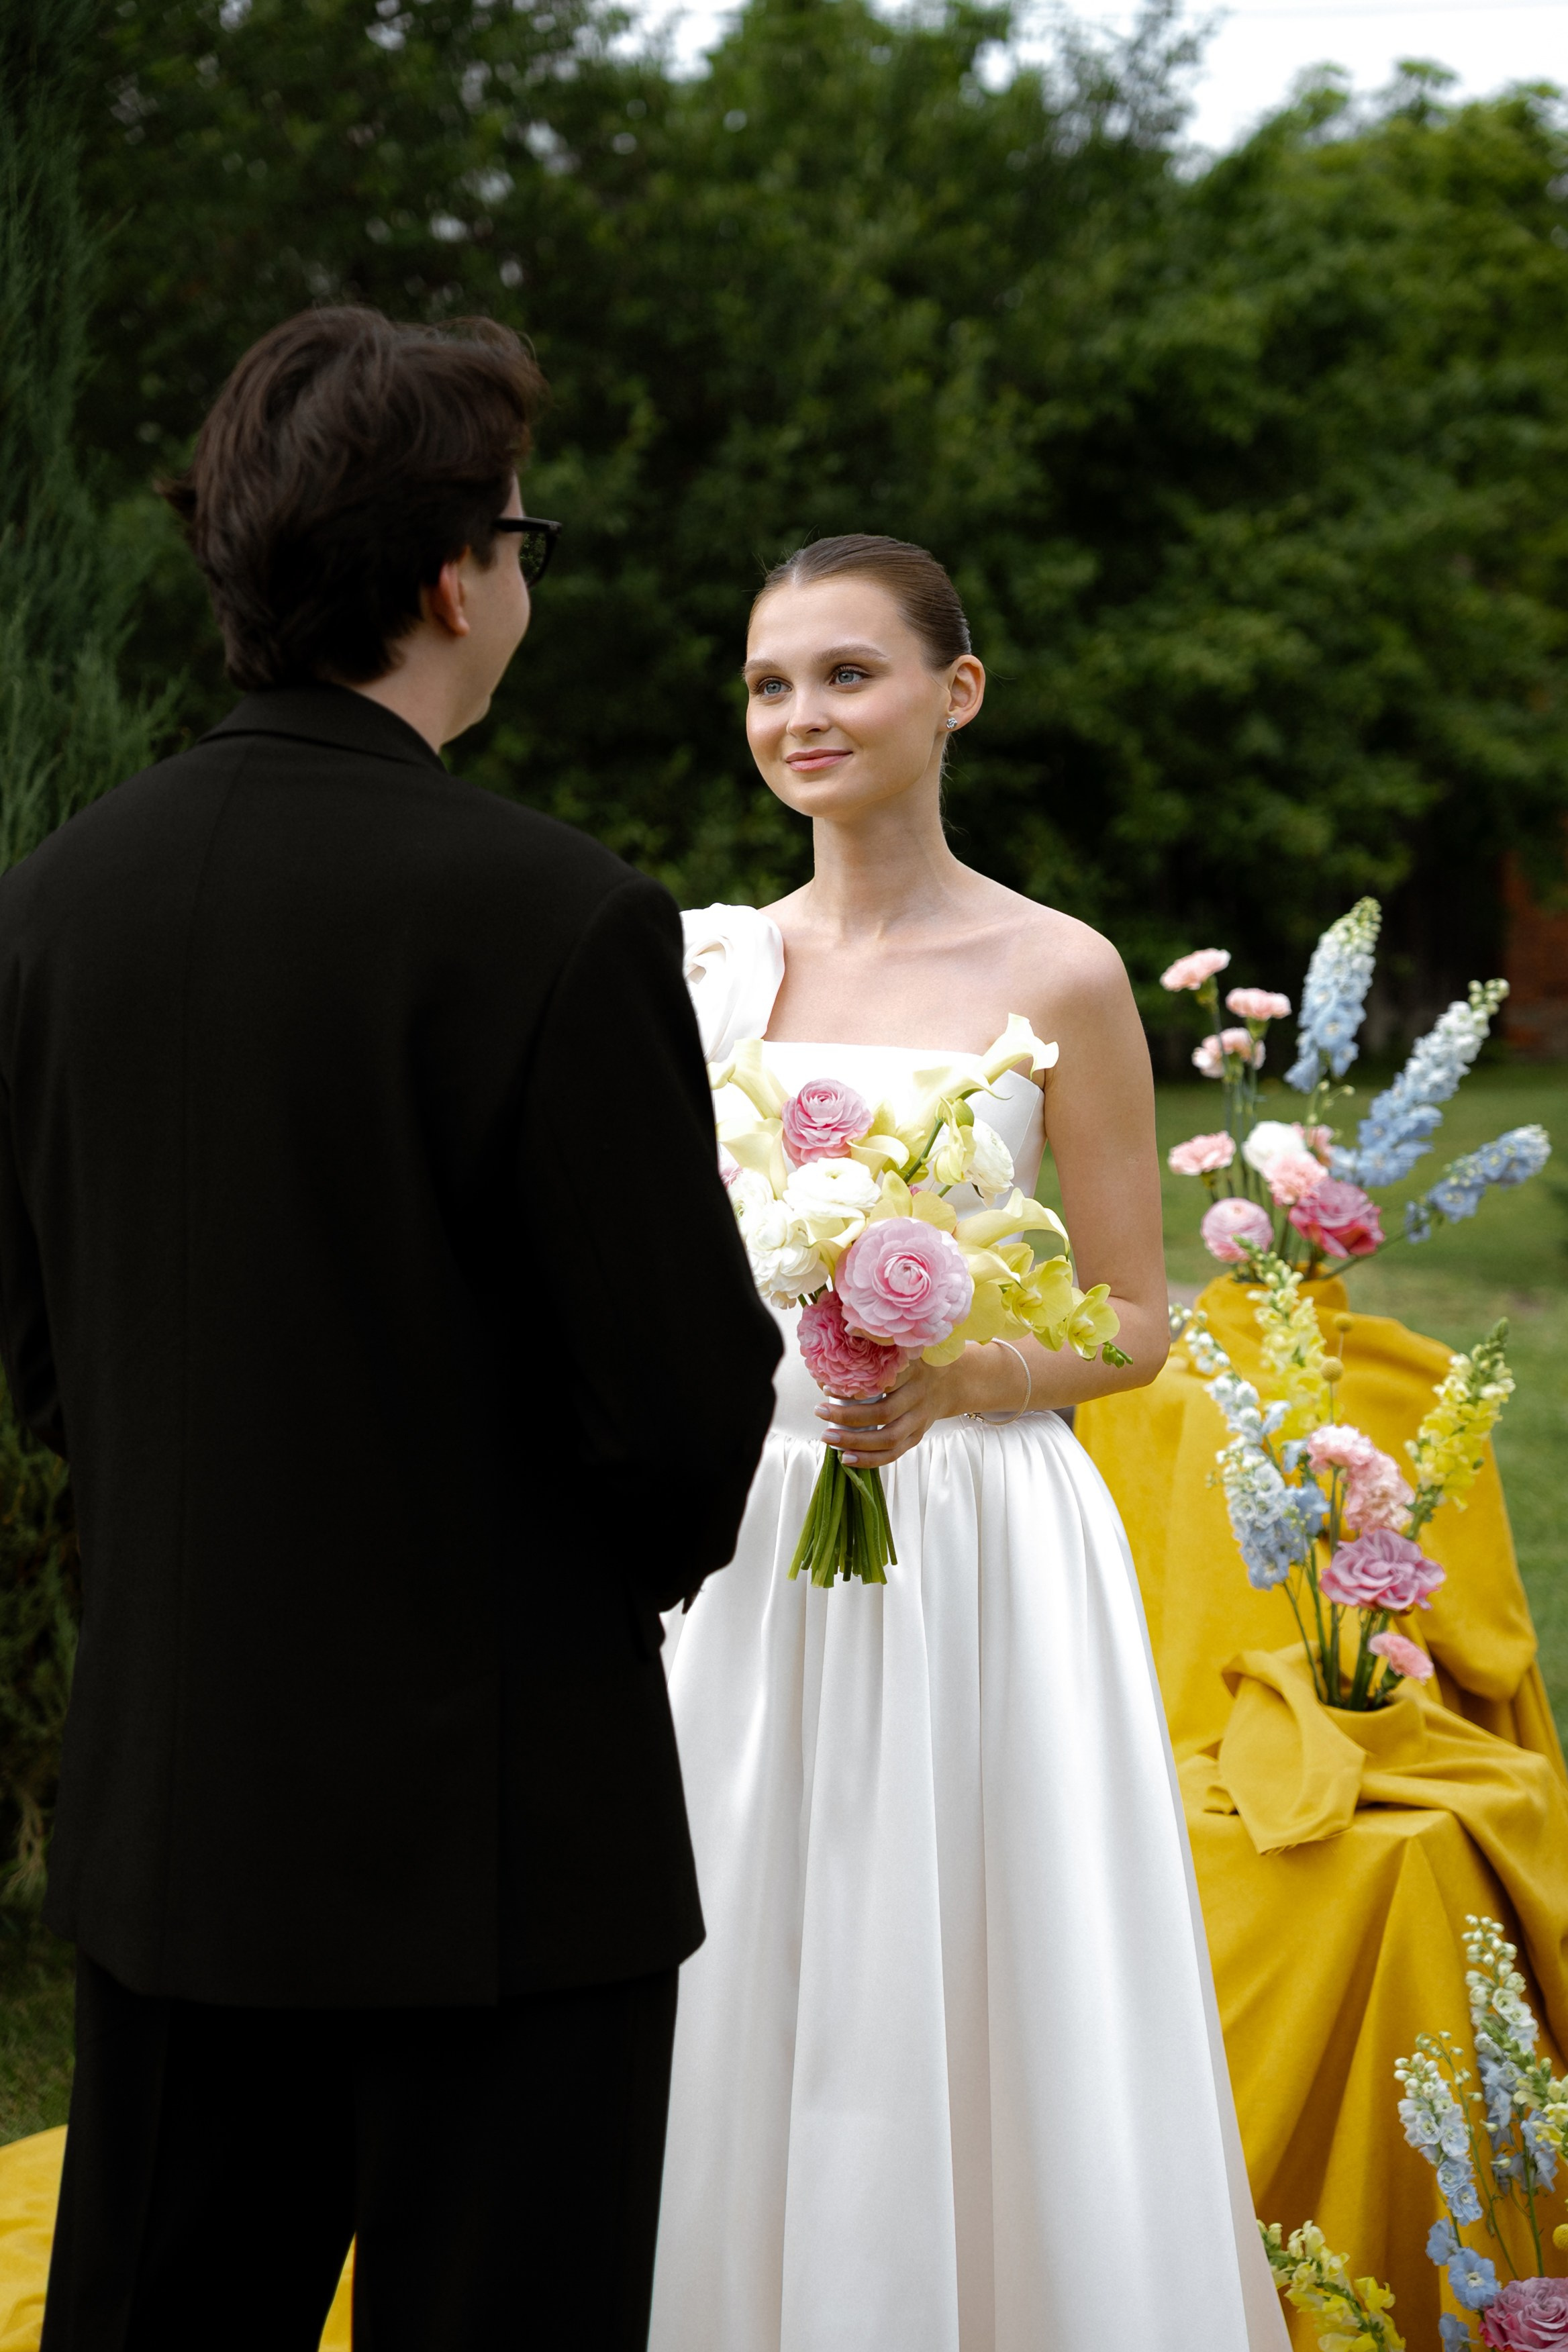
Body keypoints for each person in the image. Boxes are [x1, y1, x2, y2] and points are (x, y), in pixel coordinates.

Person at [0, 307, 781, 2352]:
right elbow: (687, 1416)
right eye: (523, 539)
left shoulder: (57, 901)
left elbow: (35, 1346)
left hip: (176, 1818)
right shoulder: (554, 914)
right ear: (456, 574)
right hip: (504, 1853)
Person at [651, 536, 1291, 2351]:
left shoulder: (1064, 973)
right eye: (772, 683)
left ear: (958, 693)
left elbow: (1138, 1324)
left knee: (977, 1954)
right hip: (755, 1526)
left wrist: (961, 1378)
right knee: (744, 1934)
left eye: (848, 674)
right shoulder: (699, 970)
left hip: (982, 1533)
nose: (802, 717)